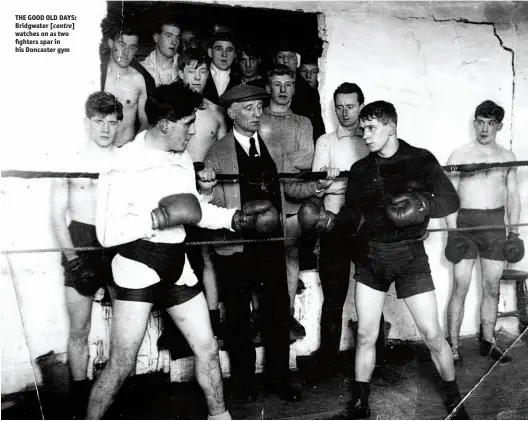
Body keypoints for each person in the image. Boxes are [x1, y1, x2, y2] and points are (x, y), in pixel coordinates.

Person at [90, 83, 276, 420]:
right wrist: (157, 219)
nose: (193, 132)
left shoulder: (182, 158)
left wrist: (235, 219)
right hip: (137, 264)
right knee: (121, 362)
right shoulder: (123, 162)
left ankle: (220, 416)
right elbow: (106, 234)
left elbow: (196, 210)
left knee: (206, 349)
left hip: (177, 263)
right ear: (165, 124)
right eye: (188, 124)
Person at [297, 101, 469, 419]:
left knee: (432, 334)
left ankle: (455, 401)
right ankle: (360, 404)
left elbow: (450, 199)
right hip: (372, 255)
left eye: (371, 128)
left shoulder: (421, 159)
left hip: (409, 256)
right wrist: (329, 221)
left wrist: (422, 202)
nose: (365, 135)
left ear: (391, 127)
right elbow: (353, 214)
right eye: (362, 129)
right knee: (365, 334)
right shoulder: (362, 170)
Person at [203, 84, 318, 403]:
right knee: (237, 316)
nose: (257, 113)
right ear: (232, 113)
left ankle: (279, 379)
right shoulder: (217, 152)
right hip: (236, 245)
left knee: (277, 311)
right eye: (249, 108)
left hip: (271, 243)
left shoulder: (274, 146)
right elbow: (210, 202)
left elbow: (291, 188)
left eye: (258, 107)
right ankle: (244, 383)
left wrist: (317, 185)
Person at [50, 92, 123, 417]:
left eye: (112, 121)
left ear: (119, 123)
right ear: (87, 122)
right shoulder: (71, 161)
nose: (106, 128)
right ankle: (80, 400)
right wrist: (73, 260)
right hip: (80, 240)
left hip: (118, 242)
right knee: (79, 329)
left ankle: (117, 396)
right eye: (99, 121)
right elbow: (56, 215)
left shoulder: (125, 161)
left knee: (125, 329)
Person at [446, 100, 522, 365]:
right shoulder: (460, 155)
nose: (484, 129)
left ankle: (488, 341)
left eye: (491, 124)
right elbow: (449, 197)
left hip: (495, 225)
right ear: (474, 123)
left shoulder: (508, 157)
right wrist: (452, 232)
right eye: (480, 122)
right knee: (461, 286)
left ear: (499, 126)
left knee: (491, 287)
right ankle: (453, 346)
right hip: (466, 225)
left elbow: (512, 195)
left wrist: (514, 233)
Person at [309, 82, 370, 373]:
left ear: (361, 105)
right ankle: (328, 360)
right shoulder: (325, 141)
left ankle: (374, 356)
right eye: (339, 107)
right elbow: (317, 187)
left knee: (372, 292)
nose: (345, 113)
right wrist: (324, 180)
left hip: (365, 227)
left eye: (351, 106)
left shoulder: (370, 139)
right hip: (334, 225)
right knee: (334, 296)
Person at [258, 64, 314, 341]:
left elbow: (307, 157)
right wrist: (283, 164)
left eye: (288, 84)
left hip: (292, 198)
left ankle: (288, 314)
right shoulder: (257, 118)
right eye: (277, 84)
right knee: (262, 258)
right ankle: (263, 318)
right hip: (262, 197)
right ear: (268, 88)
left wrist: (274, 163)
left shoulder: (302, 122)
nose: (282, 90)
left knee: (290, 256)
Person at [178, 47, 228, 341]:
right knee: (174, 252)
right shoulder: (169, 108)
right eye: (191, 71)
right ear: (180, 72)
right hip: (175, 183)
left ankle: (211, 319)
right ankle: (176, 327)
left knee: (207, 253)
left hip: (206, 183)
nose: (197, 77)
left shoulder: (215, 111)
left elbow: (222, 155)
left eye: (203, 71)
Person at [102, 26, 150, 147]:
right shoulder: (97, 75)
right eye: (121, 45)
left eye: (131, 47)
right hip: (99, 150)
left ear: (136, 50)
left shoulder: (139, 79)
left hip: (127, 148)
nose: (126, 52)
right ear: (111, 43)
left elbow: (145, 119)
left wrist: (135, 146)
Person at [273, 40, 325, 143]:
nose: (286, 61)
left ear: (298, 62)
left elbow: (317, 132)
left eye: (290, 56)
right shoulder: (266, 89)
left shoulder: (310, 94)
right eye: (281, 56)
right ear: (274, 61)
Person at [203, 32, 242, 105]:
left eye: (229, 50)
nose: (224, 54)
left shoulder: (240, 81)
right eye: (219, 49)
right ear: (210, 52)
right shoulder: (200, 75)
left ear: (235, 55)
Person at [141, 19, 181, 86]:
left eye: (177, 38)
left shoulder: (186, 67)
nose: (174, 42)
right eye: (169, 36)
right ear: (156, 38)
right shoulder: (141, 68)